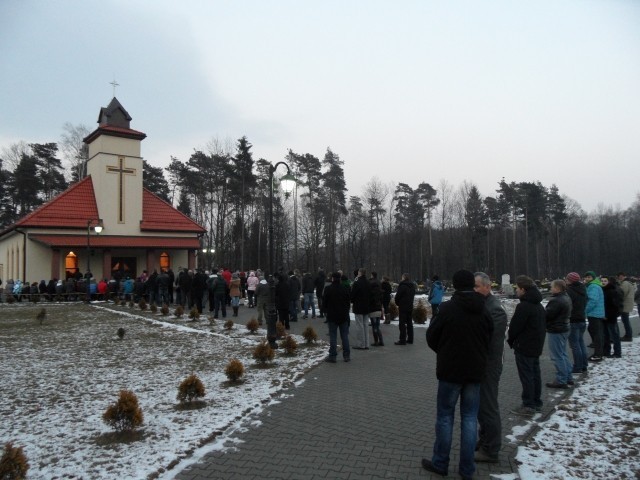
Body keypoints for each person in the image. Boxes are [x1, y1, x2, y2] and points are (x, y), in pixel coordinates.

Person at [423, 269, 492, 479]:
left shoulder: (447, 309)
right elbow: (488, 337)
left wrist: (445, 352)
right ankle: (467, 469)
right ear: (472, 284)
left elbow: (432, 335)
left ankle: (440, 462)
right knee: (470, 419)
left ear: (454, 284)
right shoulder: (484, 309)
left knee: (445, 417)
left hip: (450, 371)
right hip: (474, 371)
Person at [473, 271, 508, 464]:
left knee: (488, 407)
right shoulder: (483, 305)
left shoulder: (495, 309)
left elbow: (491, 343)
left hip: (489, 365)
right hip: (480, 364)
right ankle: (484, 438)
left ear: (487, 287)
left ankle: (491, 449)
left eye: (477, 286)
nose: (474, 290)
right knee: (481, 407)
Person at [507, 275, 546, 417]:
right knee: (535, 374)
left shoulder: (524, 306)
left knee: (527, 376)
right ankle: (536, 402)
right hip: (536, 345)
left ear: (523, 289)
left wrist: (511, 340)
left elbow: (515, 326)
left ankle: (528, 404)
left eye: (517, 288)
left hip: (524, 346)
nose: (516, 291)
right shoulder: (539, 305)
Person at [544, 279, 574, 389]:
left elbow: (547, 315)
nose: (551, 289)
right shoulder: (566, 297)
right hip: (564, 327)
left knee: (557, 356)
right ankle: (568, 376)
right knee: (562, 354)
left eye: (552, 287)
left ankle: (561, 379)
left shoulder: (557, 300)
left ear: (557, 288)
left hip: (556, 329)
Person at [323, 271, 352, 363]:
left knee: (333, 336)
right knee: (344, 336)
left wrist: (326, 312)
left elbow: (324, 303)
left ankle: (333, 356)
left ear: (332, 278)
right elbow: (348, 303)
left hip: (332, 316)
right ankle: (346, 355)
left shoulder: (328, 289)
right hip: (343, 315)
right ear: (340, 279)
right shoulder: (345, 288)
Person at [565, 272, 588, 375]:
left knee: (575, 345)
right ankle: (584, 364)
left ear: (570, 280)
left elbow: (568, 305)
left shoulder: (569, 291)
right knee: (581, 342)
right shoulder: (583, 289)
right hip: (581, 318)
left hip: (573, 319)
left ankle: (578, 366)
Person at [584, 271, 605, 362]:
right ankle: (600, 352)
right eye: (586, 277)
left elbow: (592, 300)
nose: (587, 279)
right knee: (596, 333)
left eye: (589, 277)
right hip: (597, 313)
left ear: (593, 278)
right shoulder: (595, 285)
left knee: (596, 334)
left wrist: (585, 310)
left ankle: (598, 354)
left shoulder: (593, 286)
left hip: (594, 313)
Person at [602, 276, 622, 358]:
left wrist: (608, 315)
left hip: (610, 316)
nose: (603, 282)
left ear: (609, 282)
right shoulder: (603, 290)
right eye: (602, 281)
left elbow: (615, 305)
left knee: (614, 335)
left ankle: (617, 352)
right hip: (604, 316)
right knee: (606, 335)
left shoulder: (612, 291)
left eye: (605, 281)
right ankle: (607, 351)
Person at [350, 268, 371, 349]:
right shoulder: (368, 282)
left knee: (359, 326)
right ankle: (366, 344)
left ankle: (361, 344)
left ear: (360, 273)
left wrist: (352, 300)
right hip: (367, 306)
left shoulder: (357, 283)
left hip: (358, 306)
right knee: (365, 325)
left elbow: (353, 295)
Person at [394, 273, 416, 345]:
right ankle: (410, 338)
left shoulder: (402, 285)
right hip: (410, 306)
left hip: (403, 306)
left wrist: (398, 303)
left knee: (402, 323)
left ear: (403, 278)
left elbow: (397, 296)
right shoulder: (412, 286)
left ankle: (402, 339)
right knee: (409, 323)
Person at [616, 272, 636, 341]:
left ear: (624, 276)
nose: (620, 278)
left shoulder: (625, 284)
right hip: (628, 304)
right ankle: (628, 335)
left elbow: (622, 293)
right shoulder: (630, 283)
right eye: (619, 276)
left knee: (625, 321)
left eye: (621, 276)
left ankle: (628, 335)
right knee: (626, 320)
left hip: (625, 305)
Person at [369, 271, 384, 347]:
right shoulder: (379, 286)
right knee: (377, 325)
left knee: (374, 326)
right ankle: (381, 340)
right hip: (378, 308)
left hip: (373, 308)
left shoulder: (371, 289)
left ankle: (376, 341)